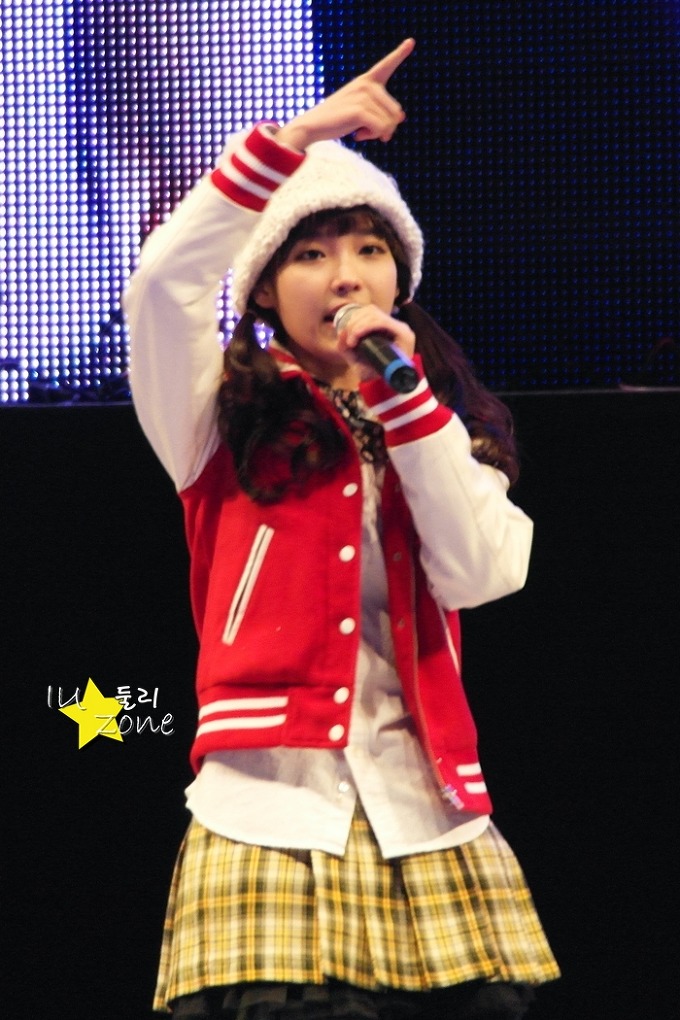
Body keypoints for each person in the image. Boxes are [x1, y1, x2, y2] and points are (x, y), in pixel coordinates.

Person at [124, 37, 559, 1020]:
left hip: (430, 813)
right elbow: (161, 285)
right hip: (268, 809)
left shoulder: (435, 424)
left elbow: (485, 572)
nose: (345, 275)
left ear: (398, 278)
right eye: (311, 253)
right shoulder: (214, 414)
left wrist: (405, 407)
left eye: (368, 249)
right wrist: (297, 137)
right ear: (264, 288)